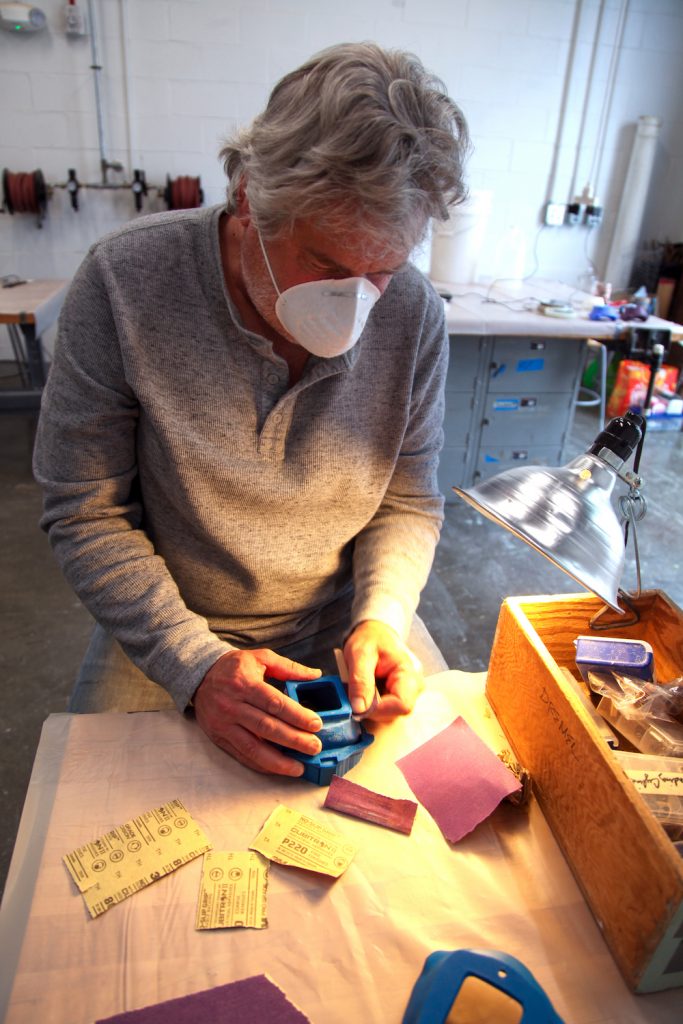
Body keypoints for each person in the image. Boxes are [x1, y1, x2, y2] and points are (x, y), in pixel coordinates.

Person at [33, 42, 470, 778]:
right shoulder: (126, 283)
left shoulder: (415, 317)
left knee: (449, 820)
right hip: (170, 624)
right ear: (248, 199)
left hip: (343, 627)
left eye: (382, 273)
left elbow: (407, 500)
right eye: (328, 267)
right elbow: (85, 510)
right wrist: (195, 667)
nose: (354, 302)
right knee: (86, 823)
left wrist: (383, 616)